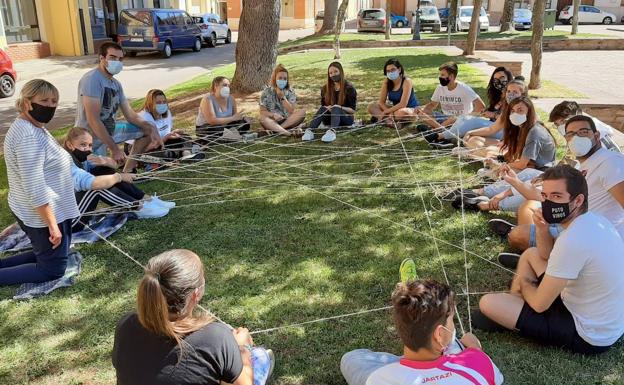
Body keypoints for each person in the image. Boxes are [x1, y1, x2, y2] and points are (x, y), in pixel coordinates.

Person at [477, 165, 624, 355]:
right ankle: (514, 305)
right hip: (604, 320)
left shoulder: (574, 239)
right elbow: (545, 256)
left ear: (578, 200)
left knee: (487, 302)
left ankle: (513, 307)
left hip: (588, 334)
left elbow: (540, 304)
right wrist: (541, 229)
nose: (548, 203)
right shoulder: (595, 220)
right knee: (531, 254)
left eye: (557, 196)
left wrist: (524, 282)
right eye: (545, 196)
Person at [112, 249, 274, 385]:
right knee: (259, 357)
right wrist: (243, 348)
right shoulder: (215, 338)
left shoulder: (126, 324)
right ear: (196, 294)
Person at [341, 264, 503, 385]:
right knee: (453, 346)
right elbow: (477, 356)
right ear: (439, 334)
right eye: (451, 320)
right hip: (446, 360)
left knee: (351, 358)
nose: (453, 326)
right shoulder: (478, 364)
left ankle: (405, 359)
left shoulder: (379, 379)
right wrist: (475, 349)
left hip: (398, 370)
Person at [491, 115, 624, 260]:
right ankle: (539, 255)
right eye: (571, 134)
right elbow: (548, 197)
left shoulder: (610, 163)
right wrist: (515, 181)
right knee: (528, 207)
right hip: (569, 225)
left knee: (518, 236)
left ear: (596, 136)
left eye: (583, 132)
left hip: (592, 240)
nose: (577, 138)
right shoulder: (584, 165)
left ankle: (540, 262)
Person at [0, 80, 79, 286]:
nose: (50, 106)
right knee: (52, 270)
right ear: (27, 102)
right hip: (40, 213)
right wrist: (52, 225)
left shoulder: (32, 126)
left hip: (36, 208)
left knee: (46, 255)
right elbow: (35, 187)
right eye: (44, 100)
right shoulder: (28, 136)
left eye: (54, 101)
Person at [75, 42, 162, 173]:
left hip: (111, 129)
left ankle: (128, 172)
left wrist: (152, 127)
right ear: (102, 58)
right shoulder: (92, 79)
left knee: (146, 131)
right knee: (97, 177)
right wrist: (114, 149)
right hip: (89, 137)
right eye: (113, 57)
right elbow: (93, 120)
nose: (117, 61)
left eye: (120, 59)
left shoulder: (116, 84)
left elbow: (130, 115)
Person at [64, 127, 173, 231]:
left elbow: (113, 166)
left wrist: (104, 161)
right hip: (67, 224)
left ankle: (147, 200)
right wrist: (119, 177)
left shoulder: (80, 157)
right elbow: (91, 183)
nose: (88, 149)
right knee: (97, 186)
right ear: (70, 145)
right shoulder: (65, 163)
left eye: (90, 145)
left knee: (102, 171)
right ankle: (138, 208)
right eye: (83, 145)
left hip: (76, 212)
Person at [425, 66, 512, 149]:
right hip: (493, 127)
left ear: (509, 78)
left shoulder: (512, 96)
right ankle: (447, 140)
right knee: (464, 118)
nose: (498, 81)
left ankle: (440, 136)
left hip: (503, 131)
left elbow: (511, 119)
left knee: (473, 121)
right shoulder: (497, 96)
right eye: (495, 79)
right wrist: (484, 114)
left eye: (502, 78)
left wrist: (493, 115)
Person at [416, 62, 485, 144]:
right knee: (422, 113)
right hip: (444, 118)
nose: (440, 77)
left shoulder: (464, 88)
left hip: (460, 121)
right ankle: (441, 132)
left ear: (451, 76)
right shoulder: (440, 88)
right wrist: (422, 109)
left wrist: (466, 117)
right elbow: (432, 105)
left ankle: (437, 132)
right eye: (440, 75)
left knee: (454, 118)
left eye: (442, 75)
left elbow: (481, 106)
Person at [462, 79, 528, 155]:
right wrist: (470, 132)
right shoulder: (507, 111)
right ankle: (479, 154)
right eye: (508, 91)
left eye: (515, 92)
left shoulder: (526, 111)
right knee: (474, 140)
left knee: (490, 151)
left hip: (519, 148)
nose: (510, 94)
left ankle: (474, 154)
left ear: (523, 95)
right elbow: (491, 129)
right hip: (506, 144)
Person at [134, 89, 198, 160]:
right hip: (143, 149)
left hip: (161, 144)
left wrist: (173, 133)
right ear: (150, 104)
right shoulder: (144, 118)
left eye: (164, 102)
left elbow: (165, 132)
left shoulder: (166, 113)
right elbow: (146, 148)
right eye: (158, 103)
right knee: (165, 154)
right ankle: (181, 153)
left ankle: (186, 155)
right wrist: (166, 137)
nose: (162, 105)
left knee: (184, 137)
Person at [302, 61, 357, 143]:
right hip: (329, 118)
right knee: (323, 108)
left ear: (340, 72)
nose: (333, 74)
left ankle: (332, 132)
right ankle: (310, 131)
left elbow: (352, 110)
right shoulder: (325, 88)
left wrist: (339, 107)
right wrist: (328, 108)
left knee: (336, 108)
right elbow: (323, 106)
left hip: (346, 119)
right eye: (331, 73)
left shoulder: (349, 88)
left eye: (335, 71)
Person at [196, 76, 251, 143]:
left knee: (244, 123)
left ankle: (229, 137)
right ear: (216, 86)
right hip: (207, 128)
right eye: (225, 85)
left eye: (228, 86)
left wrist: (242, 118)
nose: (227, 88)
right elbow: (212, 121)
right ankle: (231, 137)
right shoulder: (208, 98)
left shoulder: (231, 98)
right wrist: (233, 118)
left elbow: (234, 118)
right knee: (217, 129)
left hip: (224, 126)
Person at [549, 100, 620, 152]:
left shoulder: (592, 137)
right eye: (556, 124)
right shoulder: (581, 133)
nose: (560, 127)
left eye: (564, 122)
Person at [367, 58, 419, 125]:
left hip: (409, 109)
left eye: (393, 70)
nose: (390, 72)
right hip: (394, 110)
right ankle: (389, 121)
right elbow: (381, 102)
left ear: (399, 69)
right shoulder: (386, 82)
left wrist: (386, 112)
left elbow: (403, 104)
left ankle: (383, 119)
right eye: (388, 71)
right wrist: (388, 112)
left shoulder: (407, 81)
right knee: (372, 107)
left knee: (404, 112)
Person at [259, 64, 307, 137]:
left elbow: (291, 110)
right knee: (262, 118)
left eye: (285, 79)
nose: (282, 80)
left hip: (288, 121)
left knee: (302, 112)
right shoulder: (267, 91)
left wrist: (282, 97)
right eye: (280, 78)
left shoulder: (290, 91)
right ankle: (288, 133)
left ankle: (277, 131)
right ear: (275, 78)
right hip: (272, 122)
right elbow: (262, 111)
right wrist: (273, 115)